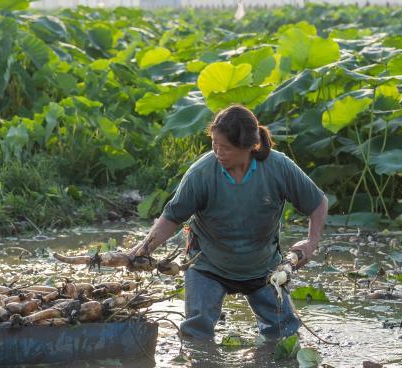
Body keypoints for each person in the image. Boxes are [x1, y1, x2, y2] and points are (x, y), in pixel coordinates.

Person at [130, 104, 328, 340]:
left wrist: (311, 242)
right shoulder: (202, 173)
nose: (218, 152)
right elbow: (172, 217)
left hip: (263, 268)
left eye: (226, 147)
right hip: (208, 266)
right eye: (214, 144)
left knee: (284, 334)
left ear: (249, 147)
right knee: (196, 334)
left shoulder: (278, 167)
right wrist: (143, 249)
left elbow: (317, 202)